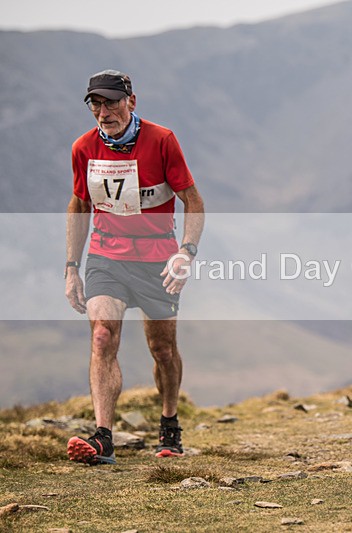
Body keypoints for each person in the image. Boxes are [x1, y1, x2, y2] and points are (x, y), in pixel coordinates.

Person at [65, 70, 205, 465]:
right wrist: (72, 267)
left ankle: (169, 422)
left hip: (157, 259)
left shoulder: (162, 141)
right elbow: (79, 205)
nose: (103, 112)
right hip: (106, 257)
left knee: (163, 349)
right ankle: (103, 438)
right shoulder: (83, 148)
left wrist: (186, 252)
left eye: (111, 102)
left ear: (131, 101)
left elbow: (193, 200)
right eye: (96, 104)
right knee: (101, 337)